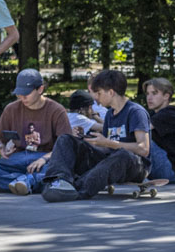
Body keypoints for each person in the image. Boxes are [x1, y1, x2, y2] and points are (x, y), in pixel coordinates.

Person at [41, 69, 152, 202]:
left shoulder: (135, 112)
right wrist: (86, 141)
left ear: (111, 92)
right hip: (110, 160)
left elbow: (143, 149)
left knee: (123, 154)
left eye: (99, 93)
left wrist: (109, 143)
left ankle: (76, 189)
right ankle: (58, 181)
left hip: (135, 166)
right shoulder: (110, 114)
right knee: (66, 139)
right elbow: (105, 147)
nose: (96, 98)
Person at [0, 68, 72, 195]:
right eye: (19, 93)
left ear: (40, 89)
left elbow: (65, 147)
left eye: (27, 93)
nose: (22, 97)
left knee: (56, 171)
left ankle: (22, 181)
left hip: (45, 158)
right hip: (17, 159)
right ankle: (28, 181)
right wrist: (1, 148)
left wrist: (43, 159)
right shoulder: (11, 109)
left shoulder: (57, 110)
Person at [143, 77, 175, 184]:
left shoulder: (168, 114)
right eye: (147, 94)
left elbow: (137, 131)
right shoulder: (157, 114)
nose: (149, 98)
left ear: (166, 96)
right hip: (170, 170)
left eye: (154, 93)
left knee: (140, 138)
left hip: (170, 171)